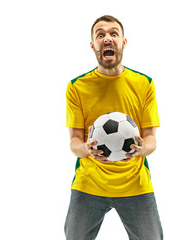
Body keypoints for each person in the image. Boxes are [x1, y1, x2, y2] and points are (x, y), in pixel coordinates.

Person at [65, 15, 163, 240]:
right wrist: (86, 150)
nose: (107, 38)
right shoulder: (76, 87)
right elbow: (74, 142)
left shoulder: (144, 84)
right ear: (93, 45)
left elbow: (151, 139)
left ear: (123, 42)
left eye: (113, 33)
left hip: (134, 183)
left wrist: (142, 149)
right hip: (89, 183)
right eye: (100, 35)